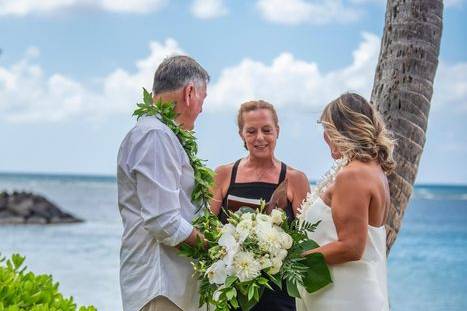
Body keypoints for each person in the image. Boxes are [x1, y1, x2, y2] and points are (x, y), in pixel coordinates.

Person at [117, 55, 209, 311]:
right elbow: (163, 221)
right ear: (190, 93)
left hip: (170, 289)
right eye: (203, 98)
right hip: (161, 289)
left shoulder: (158, 133)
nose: (202, 109)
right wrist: (216, 247)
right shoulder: (156, 135)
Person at [297, 93, 395, 311]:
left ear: (343, 130)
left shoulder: (353, 175)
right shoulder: (373, 169)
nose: (325, 139)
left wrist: (293, 259)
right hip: (346, 292)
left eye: (328, 131)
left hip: (345, 298)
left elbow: (352, 247)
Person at [211, 100, 310, 311]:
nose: (260, 138)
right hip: (231, 294)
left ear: (277, 131)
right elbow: (208, 232)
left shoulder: (296, 180)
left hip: (279, 296)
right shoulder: (223, 175)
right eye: (251, 131)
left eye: (267, 130)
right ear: (241, 134)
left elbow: (305, 241)